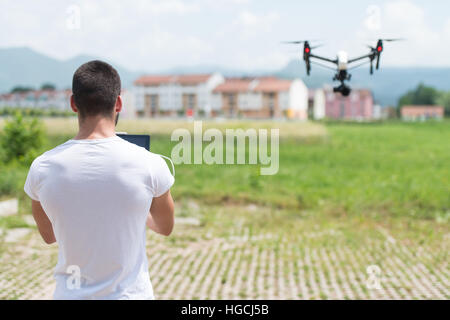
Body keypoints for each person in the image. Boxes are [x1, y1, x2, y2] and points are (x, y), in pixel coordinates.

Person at [24, 60, 175, 299]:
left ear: (73, 103)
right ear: (119, 103)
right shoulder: (150, 164)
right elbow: (165, 227)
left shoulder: (42, 168)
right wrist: (137, 209)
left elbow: (49, 235)